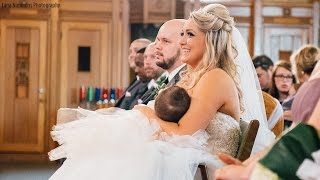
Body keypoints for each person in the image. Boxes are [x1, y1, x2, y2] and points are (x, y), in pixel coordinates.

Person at [48, 4, 272, 180]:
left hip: (202, 168)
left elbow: (184, 134)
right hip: (189, 159)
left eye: (190, 35)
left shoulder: (215, 78)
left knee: (127, 156)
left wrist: (149, 113)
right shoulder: (195, 74)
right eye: (182, 34)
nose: (182, 41)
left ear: (211, 40)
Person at [140, 19, 187, 104]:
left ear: (184, 46)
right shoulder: (168, 78)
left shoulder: (186, 82)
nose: (157, 46)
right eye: (157, 40)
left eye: (166, 41)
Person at [115, 38, 151, 109]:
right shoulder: (137, 80)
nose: (131, 55)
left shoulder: (148, 82)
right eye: (130, 52)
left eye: (136, 50)